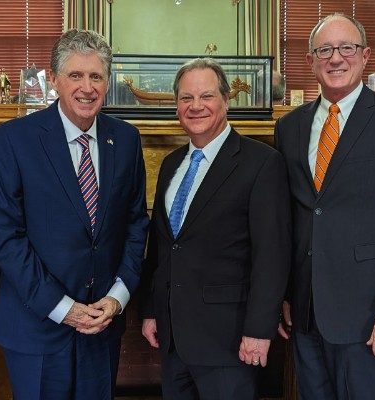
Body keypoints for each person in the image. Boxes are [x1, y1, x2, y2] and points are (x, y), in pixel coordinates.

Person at [274, 13, 375, 400]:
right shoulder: (290, 127)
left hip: (371, 318)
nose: (335, 58)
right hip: (306, 314)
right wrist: (283, 295)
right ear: (311, 61)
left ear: (365, 56)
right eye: (324, 50)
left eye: (346, 48)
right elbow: (289, 220)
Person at [0, 29, 149, 400]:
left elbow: (136, 223)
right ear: (55, 79)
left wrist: (117, 298)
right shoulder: (14, 139)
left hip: (102, 323)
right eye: (75, 75)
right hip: (38, 326)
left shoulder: (125, 138)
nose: (86, 87)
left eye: (96, 76)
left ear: (107, 82)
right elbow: (6, 237)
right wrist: (64, 309)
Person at [140, 57, 291, 400]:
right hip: (172, 338)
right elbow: (162, 247)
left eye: (206, 96)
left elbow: (273, 255)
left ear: (225, 100)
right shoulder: (170, 164)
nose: (195, 107)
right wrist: (150, 310)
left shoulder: (262, 163)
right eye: (185, 98)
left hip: (230, 341)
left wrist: (258, 329)